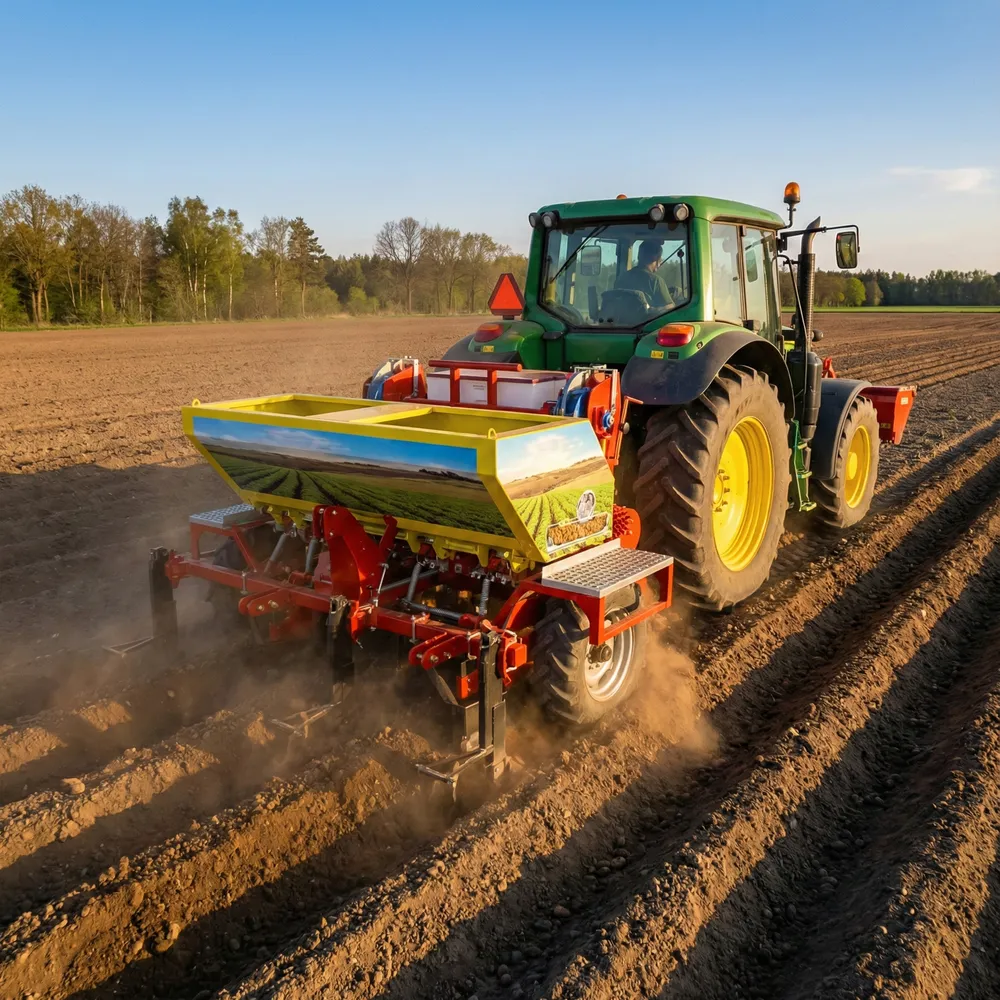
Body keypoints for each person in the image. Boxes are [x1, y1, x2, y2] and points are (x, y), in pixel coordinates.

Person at [615, 240, 674, 309]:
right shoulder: (656, 281)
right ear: (656, 259)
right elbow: (670, 308)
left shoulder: (621, 278)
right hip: (650, 319)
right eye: (660, 259)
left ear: (639, 256)